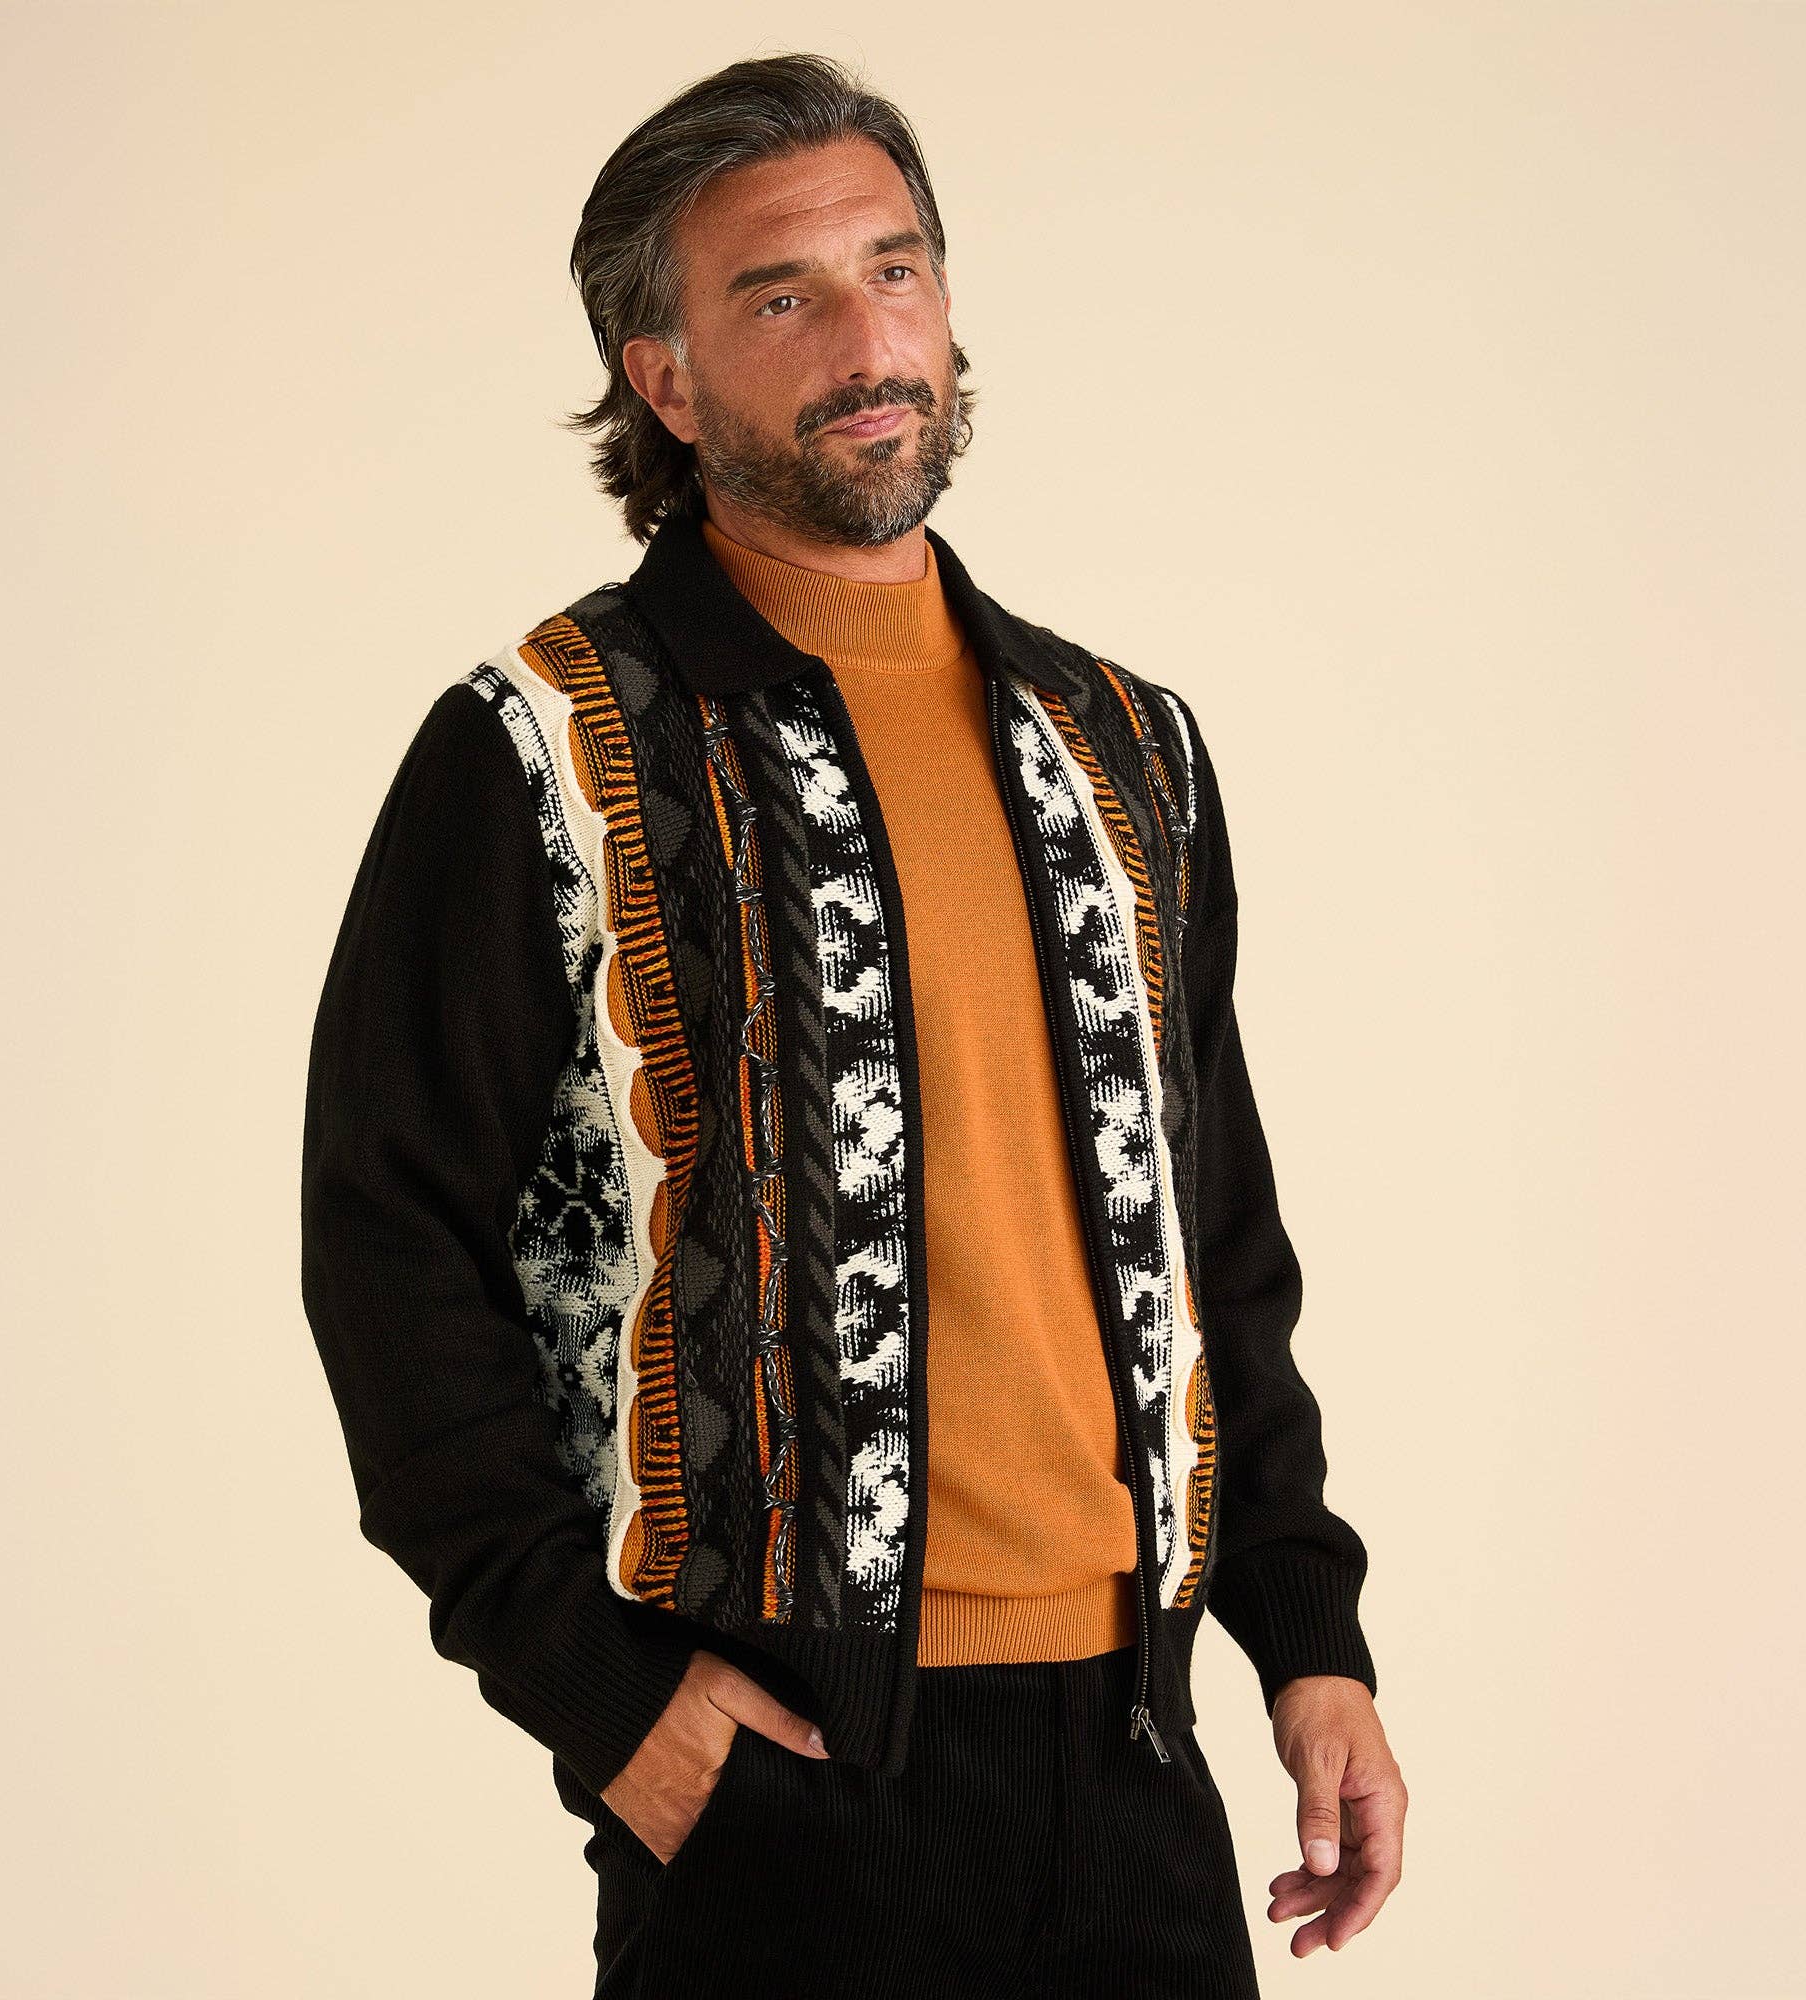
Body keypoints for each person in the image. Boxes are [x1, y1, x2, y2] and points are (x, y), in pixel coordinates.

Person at [300, 50, 1407, 1999]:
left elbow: (1218, 1236)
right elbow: (386, 1247)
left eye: (897, 269)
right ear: (664, 379)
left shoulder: (1120, 748)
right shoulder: (544, 750)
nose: (868, 341)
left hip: (1134, 1766)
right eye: (782, 296)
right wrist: (599, 1695)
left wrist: (1308, 1639)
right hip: (781, 1789)